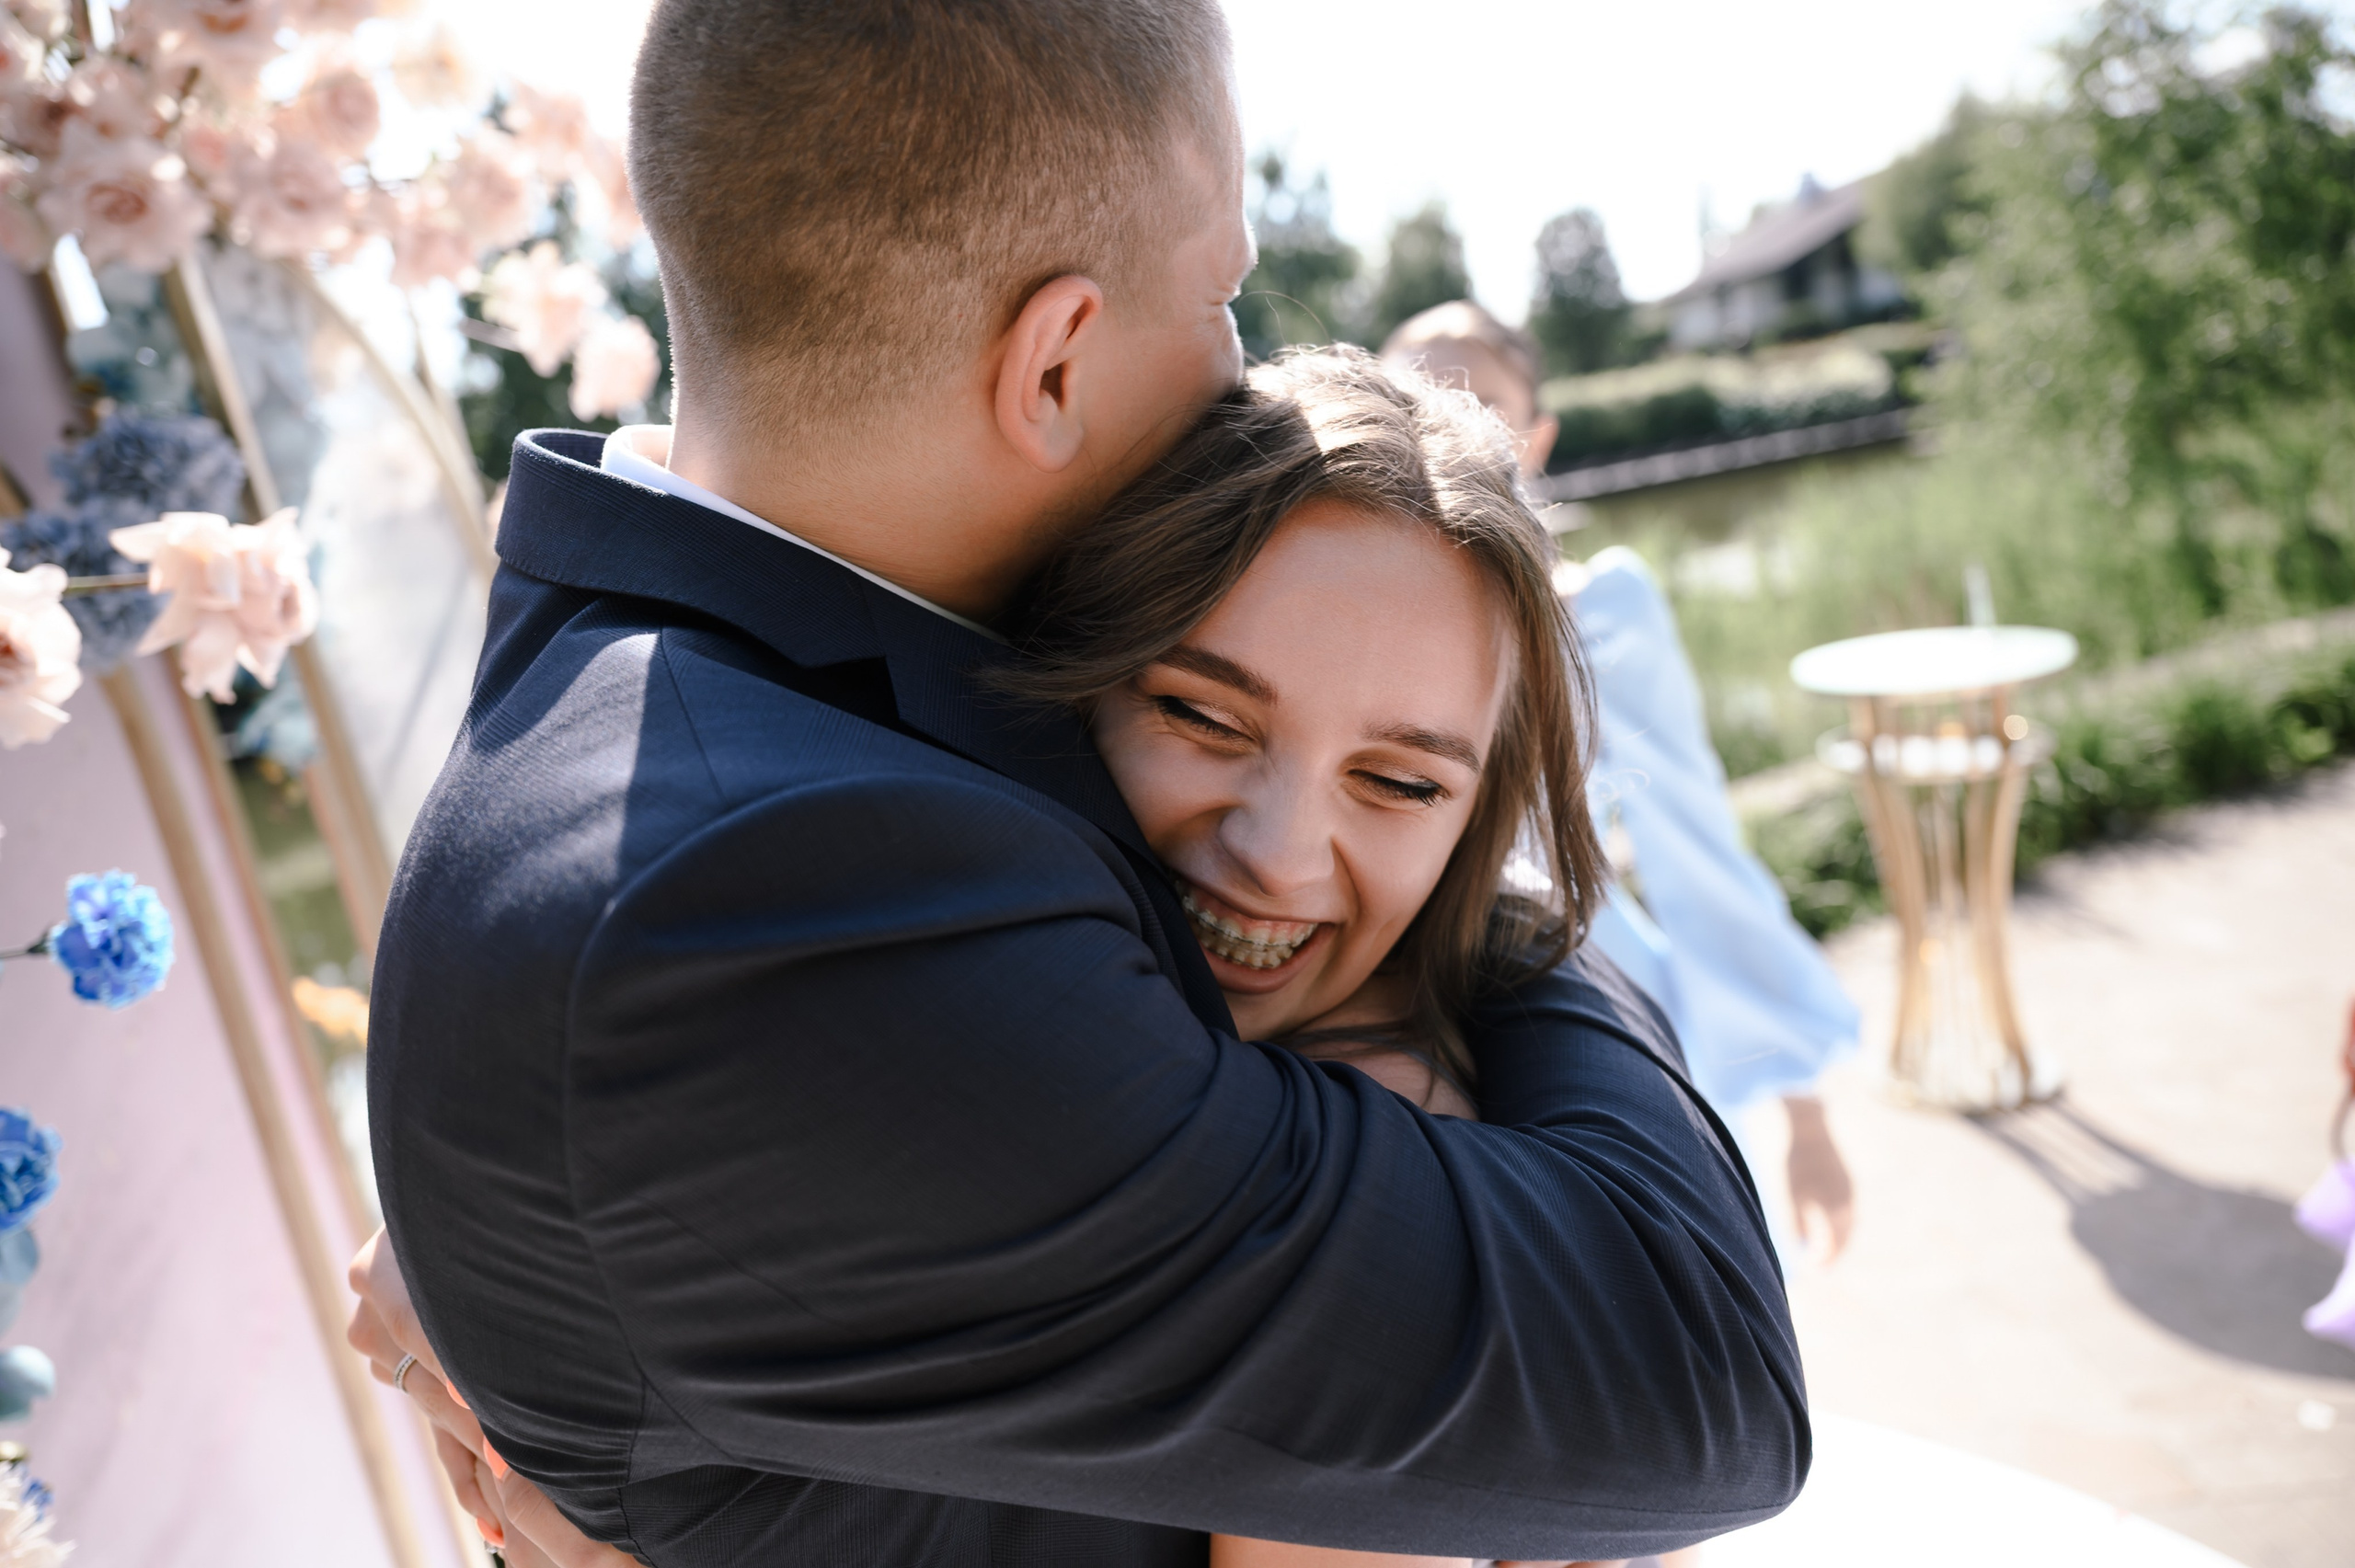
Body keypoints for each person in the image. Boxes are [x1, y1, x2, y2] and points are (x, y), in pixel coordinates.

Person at [349, 6, 1809, 1565]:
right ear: (1051, 362)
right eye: (1224, 296)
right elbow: (1688, 1365)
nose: (1239, 366)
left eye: (1399, 781)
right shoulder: (775, 891)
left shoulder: (702, 694)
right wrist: (1479, 917)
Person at [1381, 302, 1861, 1261]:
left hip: (1580, 1007)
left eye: (1481, 399)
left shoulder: (1607, 614)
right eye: (1415, 394)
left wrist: (1804, 1117)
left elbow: (1696, 851)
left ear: (1538, 434)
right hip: (1392, 1028)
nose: (1449, 420)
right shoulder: (1340, 607)